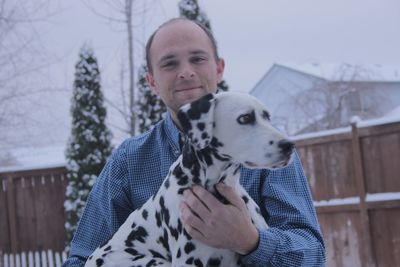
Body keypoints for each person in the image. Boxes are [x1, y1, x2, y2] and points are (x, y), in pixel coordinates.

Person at [62, 18, 325, 267]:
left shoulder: (267, 147)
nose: (186, 72)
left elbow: (312, 255)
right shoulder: (129, 160)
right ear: (152, 82)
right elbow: (81, 259)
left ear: (219, 68)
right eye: (169, 64)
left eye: (197, 59)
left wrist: (251, 241)